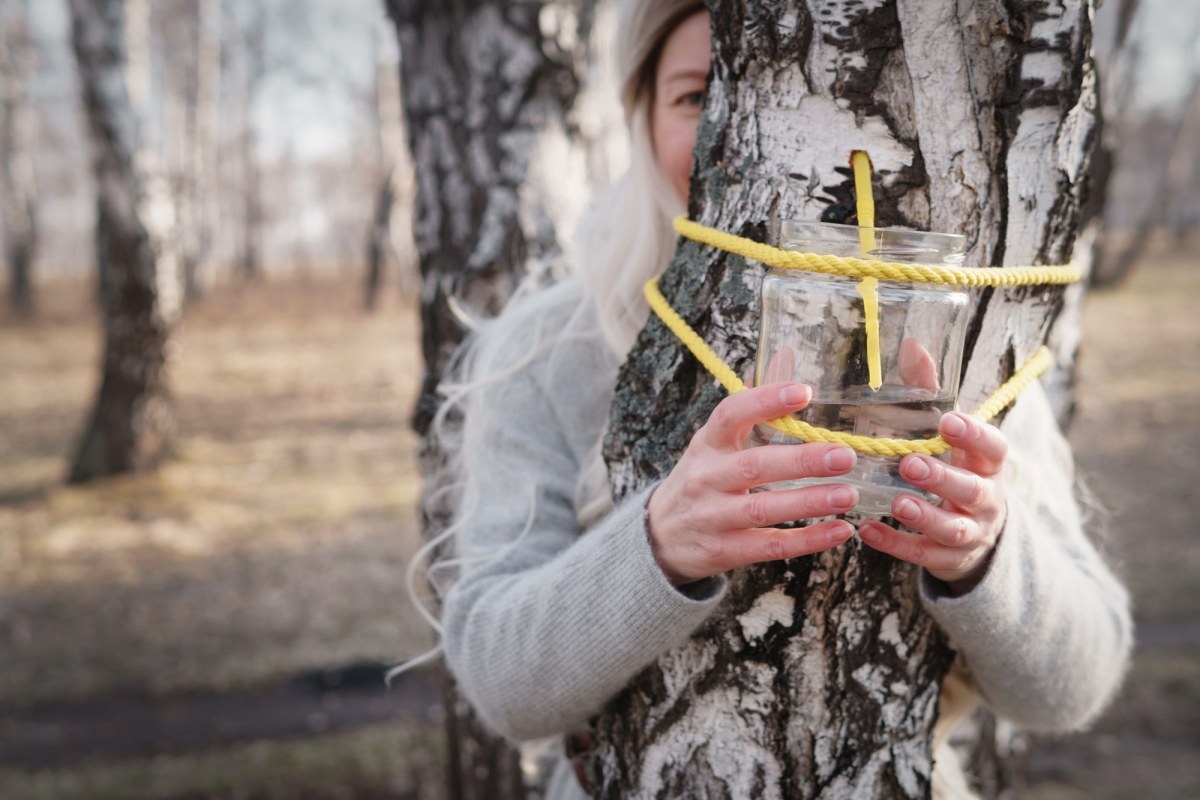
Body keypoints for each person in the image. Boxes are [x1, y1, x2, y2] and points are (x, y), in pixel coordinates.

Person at [424, 1, 1133, 797]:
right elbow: (498, 681)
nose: (740, 136)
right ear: (640, 116)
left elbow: (1076, 683)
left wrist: (988, 557)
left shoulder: (954, 341)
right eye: (699, 97)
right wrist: (656, 545)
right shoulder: (551, 350)